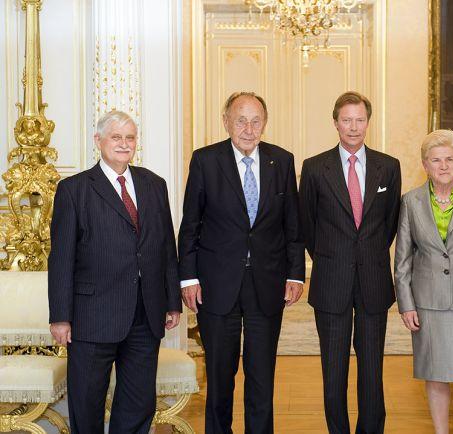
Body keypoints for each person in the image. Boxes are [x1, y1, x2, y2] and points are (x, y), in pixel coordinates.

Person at [178, 91, 305, 433]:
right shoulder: (206, 160)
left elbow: (292, 226)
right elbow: (190, 224)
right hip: (217, 284)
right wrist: (188, 278)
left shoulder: (282, 160)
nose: (249, 129)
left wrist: (296, 274)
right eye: (241, 120)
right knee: (220, 375)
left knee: (261, 375)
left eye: (256, 121)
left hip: (268, 282)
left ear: (265, 122)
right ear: (226, 122)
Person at [48, 110, 182, 433]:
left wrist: (172, 300)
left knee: (138, 403)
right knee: (86, 402)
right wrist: (60, 316)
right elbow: (61, 258)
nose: (124, 144)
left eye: (130, 137)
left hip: (145, 314)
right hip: (91, 317)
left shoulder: (154, 184)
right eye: (116, 137)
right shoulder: (74, 190)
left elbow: (165, 246)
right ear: (99, 141)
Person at [299, 91, 401, 434]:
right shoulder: (314, 168)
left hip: (373, 280)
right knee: (334, 371)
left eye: (359, 120)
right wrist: (332, 258)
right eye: (346, 120)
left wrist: (366, 255)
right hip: (331, 281)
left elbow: (390, 224)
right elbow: (307, 225)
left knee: (372, 371)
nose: (353, 127)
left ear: (368, 122)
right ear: (335, 123)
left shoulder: (389, 167)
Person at [394, 129, 453, 434]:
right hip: (427, 303)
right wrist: (406, 304)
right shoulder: (410, 201)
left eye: (450, 158)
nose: (444, 165)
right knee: (434, 375)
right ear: (425, 164)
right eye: (436, 160)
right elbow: (403, 258)